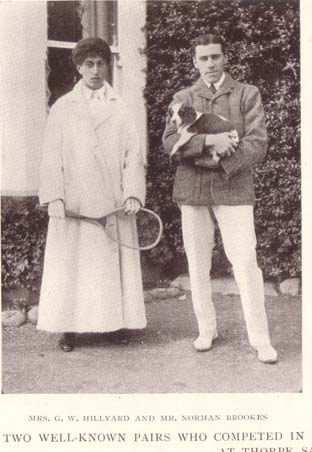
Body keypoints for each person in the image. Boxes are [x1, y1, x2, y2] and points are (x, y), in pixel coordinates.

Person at [162, 34, 277, 364]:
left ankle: (260, 339)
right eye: (203, 58)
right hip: (193, 190)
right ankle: (206, 329)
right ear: (194, 62)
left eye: (215, 57)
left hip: (234, 188)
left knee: (244, 262)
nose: (210, 64)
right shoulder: (183, 96)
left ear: (225, 57)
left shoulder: (246, 94)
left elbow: (257, 143)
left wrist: (222, 161)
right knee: (198, 264)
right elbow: (170, 141)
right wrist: (208, 142)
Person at [37, 37, 147, 351]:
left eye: (100, 63)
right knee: (73, 265)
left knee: (107, 266)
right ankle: (68, 328)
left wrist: (133, 193)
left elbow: (132, 154)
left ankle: (113, 323)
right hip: (76, 202)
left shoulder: (120, 105)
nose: (95, 70)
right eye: (89, 64)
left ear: (107, 65)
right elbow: (51, 156)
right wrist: (54, 196)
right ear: (78, 67)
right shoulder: (63, 107)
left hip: (112, 200)